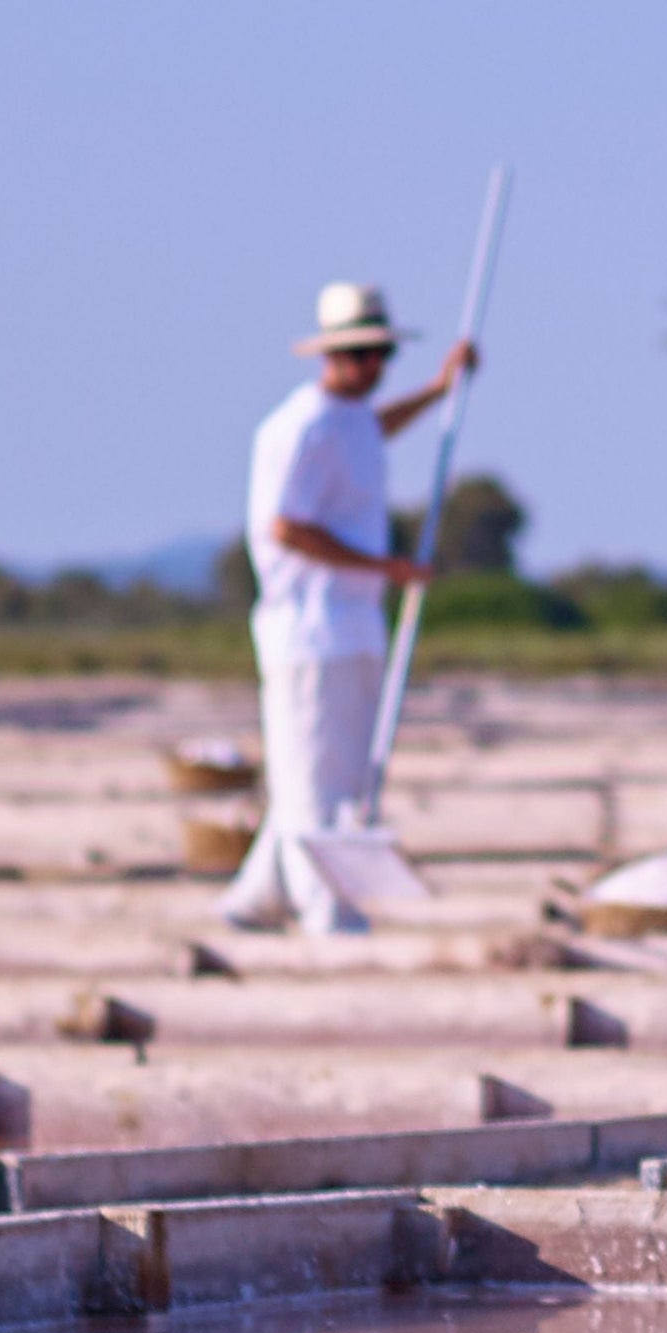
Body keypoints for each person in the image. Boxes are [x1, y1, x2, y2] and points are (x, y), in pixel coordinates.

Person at [226, 282, 472, 935]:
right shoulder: (299, 428)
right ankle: (325, 909)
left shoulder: (350, 420)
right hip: (310, 629)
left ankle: (258, 898)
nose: (373, 367)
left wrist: (439, 389)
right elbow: (288, 527)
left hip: (357, 624)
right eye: (362, 355)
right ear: (331, 356)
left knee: (335, 772)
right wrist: (388, 569)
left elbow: (371, 429)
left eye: (381, 354)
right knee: (314, 781)